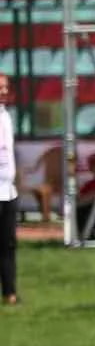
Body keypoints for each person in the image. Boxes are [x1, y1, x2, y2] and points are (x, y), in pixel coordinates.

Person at [0, 73, 14, 305]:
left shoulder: (6, 116)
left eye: (5, 87)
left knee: (8, 244)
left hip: (8, 191)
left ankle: (10, 293)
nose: (3, 91)